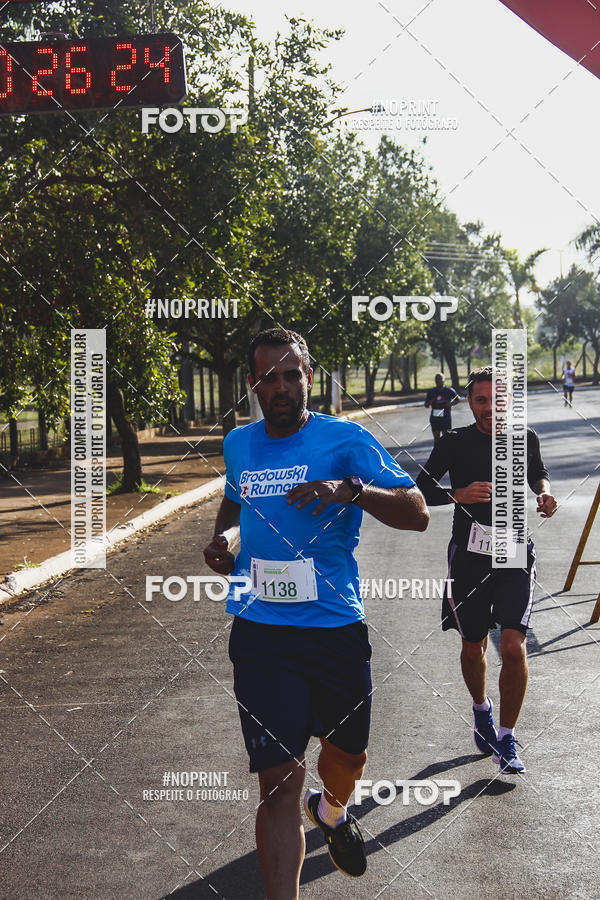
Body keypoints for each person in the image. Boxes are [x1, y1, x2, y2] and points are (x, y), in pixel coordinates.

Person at [204, 327, 429, 899]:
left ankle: (331, 810)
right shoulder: (239, 444)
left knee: (347, 757)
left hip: (334, 629)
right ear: (252, 383)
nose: (279, 387)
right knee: (277, 786)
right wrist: (225, 541)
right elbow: (234, 507)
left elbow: (416, 511)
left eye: (290, 375)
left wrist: (348, 491)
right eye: (266, 378)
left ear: (308, 375)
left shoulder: (345, 439)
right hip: (260, 633)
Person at [416, 366, 557, 775]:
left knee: (513, 647)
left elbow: (538, 474)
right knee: (472, 644)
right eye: (481, 400)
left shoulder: (525, 438)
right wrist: (455, 494)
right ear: (470, 402)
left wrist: (544, 495)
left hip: (514, 552)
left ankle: (507, 736)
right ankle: (481, 709)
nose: (489, 408)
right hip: (469, 557)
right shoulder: (455, 442)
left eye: (496, 400)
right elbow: (420, 487)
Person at [424, 373, 460, 443]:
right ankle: (437, 453)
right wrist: (432, 400)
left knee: (446, 438)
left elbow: (458, 399)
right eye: (437, 379)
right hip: (435, 418)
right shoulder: (431, 391)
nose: (438, 381)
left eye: (440, 379)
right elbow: (426, 405)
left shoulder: (449, 390)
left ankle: (446, 453)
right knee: (437, 439)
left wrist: (450, 404)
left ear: (444, 380)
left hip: (446, 417)